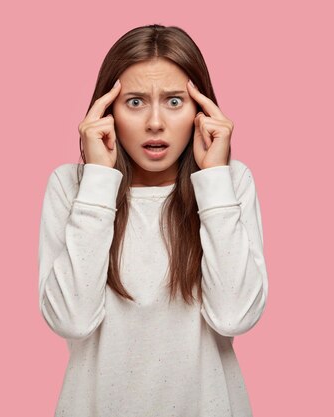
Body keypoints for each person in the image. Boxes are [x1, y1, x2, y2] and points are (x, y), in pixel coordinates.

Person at [38, 23, 269, 417]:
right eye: (135, 102)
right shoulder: (72, 186)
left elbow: (234, 316)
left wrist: (213, 179)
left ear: (202, 110)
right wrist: (97, 180)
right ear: (106, 112)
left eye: (175, 101)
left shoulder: (229, 183)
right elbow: (71, 320)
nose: (155, 122)